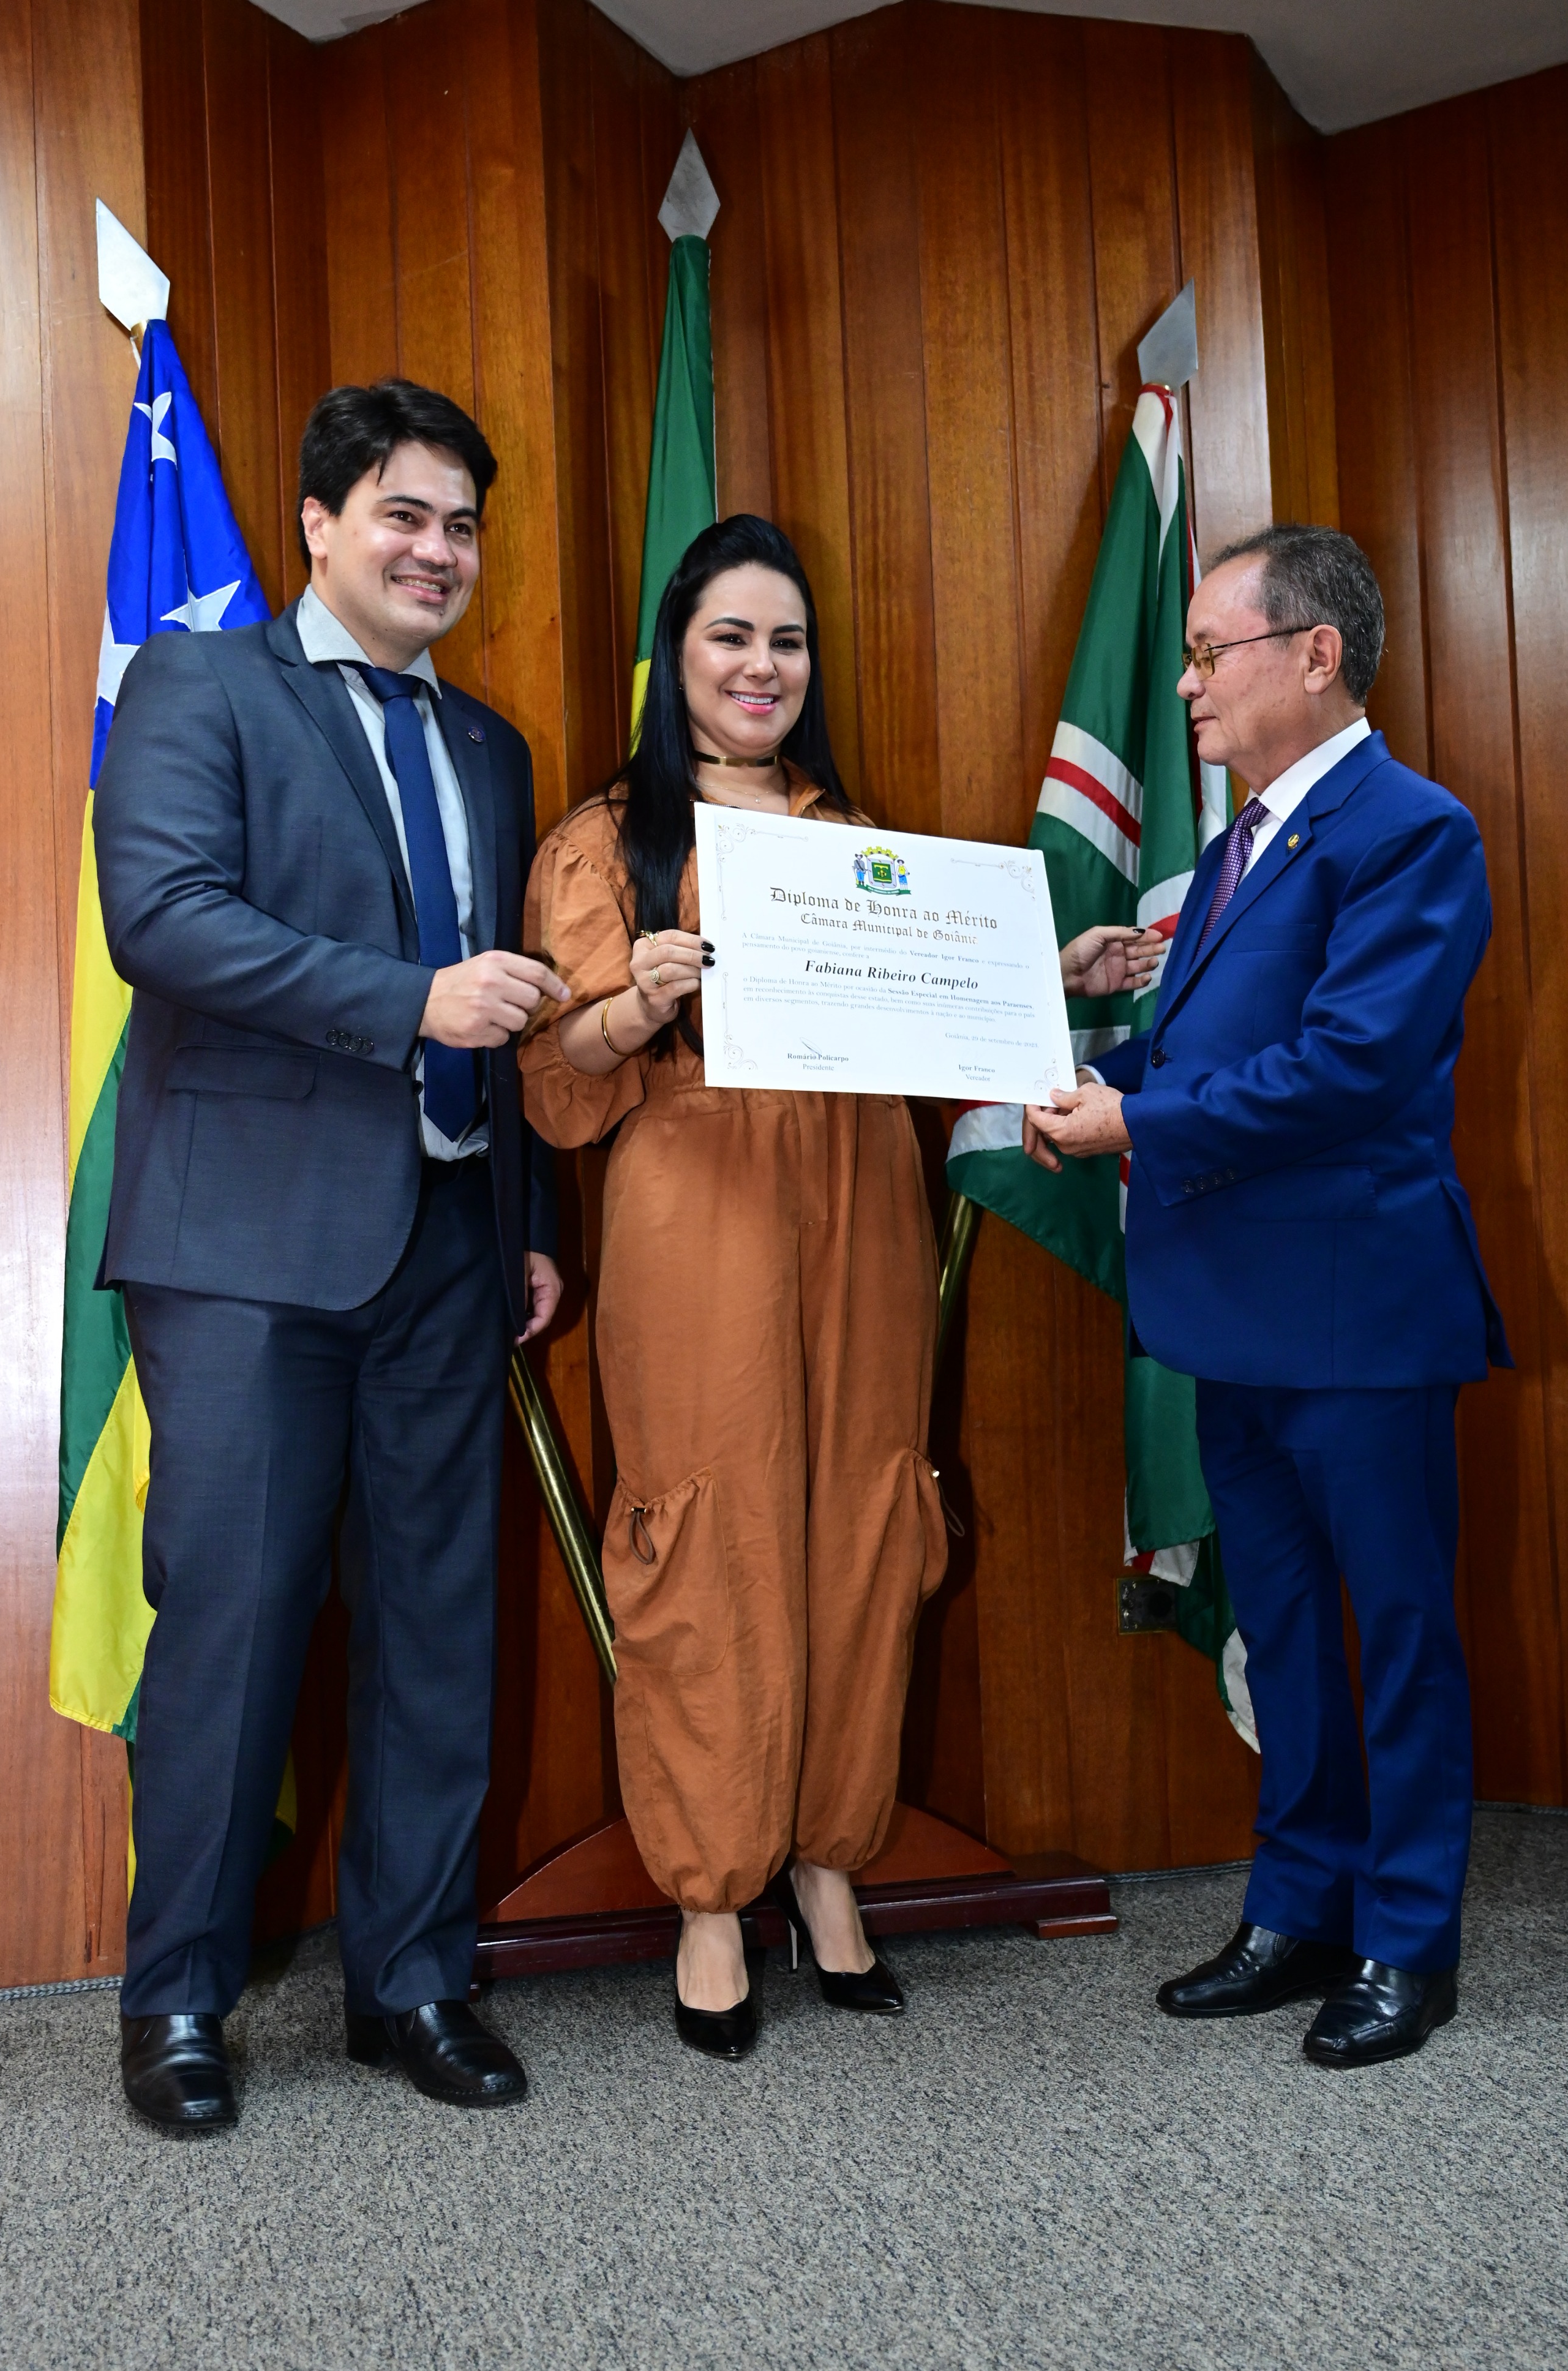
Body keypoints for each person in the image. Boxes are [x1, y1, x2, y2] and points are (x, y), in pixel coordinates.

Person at [519, 513, 1160, 2057]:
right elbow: (556, 1083)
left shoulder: (856, 835)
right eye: (732, 636)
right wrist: (635, 1004)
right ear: (678, 653)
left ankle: (827, 1862)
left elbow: (934, 1014)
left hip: (865, 1211)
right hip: (697, 1214)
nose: (763, 666)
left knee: (869, 1519)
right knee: (711, 1532)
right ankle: (708, 1892)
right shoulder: (607, 839)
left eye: (787, 640)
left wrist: (1047, 975)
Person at [94, 378, 571, 2130]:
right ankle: (177, 2000)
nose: (437, 551)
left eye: (462, 525)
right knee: (231, 1628)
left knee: (440, 1629)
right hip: (241, 1247)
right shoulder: (199, 684)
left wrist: (529, 1225)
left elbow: (508, 1007)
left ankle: (414, 1982)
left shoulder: (493, 750)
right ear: (317, 523)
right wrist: (409, 1001)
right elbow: (163, 920)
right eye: (403, 515)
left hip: (449, 1245)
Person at [1026, 524, 1509, 2069]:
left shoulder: (1411, 829)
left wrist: (1134, 1125)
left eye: (1208, 652)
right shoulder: (1242, 841)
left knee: (1401, 1635)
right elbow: (1201, 1054)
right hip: (1230, 1314)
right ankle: (1299, 1907)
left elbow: (1348, 1068)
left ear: (1316, 654)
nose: (1185, 684)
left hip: (1359, 1315)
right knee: (1289, 1632)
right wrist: (1090, 1077)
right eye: (1182, 657)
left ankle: (1407, 1940)